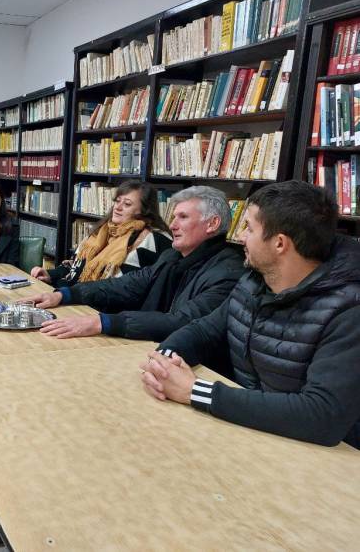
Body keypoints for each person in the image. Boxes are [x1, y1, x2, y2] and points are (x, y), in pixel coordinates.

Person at [140, 180, 360, 448]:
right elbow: (204, 331)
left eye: (249, 228)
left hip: (323, 464)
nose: (240, 236)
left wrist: (195, 391)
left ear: (280, 243)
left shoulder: (349, 309)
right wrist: (163, 364)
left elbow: (322, 416)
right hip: (253, 437)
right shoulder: (254, 281)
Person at [25, 186, 244, 342]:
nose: (173, 225)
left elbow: (181, 322)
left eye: (183, 217)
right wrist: (64, 295)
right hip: (147, 346)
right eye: (173, 217)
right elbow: (126, 285)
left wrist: (103, 323)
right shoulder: (173, 257)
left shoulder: (227, 273)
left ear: (212, 224)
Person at [30, 181, 172, 288]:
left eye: (127, 204)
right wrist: (50, 275)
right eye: (117, 201)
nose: (118, 207)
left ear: (144, 210)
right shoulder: (101, 231)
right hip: (69, 294)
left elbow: (127, 288)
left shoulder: (151, 239)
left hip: (95, 309)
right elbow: (76, 266)